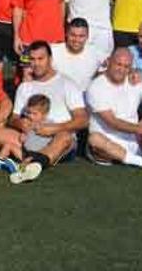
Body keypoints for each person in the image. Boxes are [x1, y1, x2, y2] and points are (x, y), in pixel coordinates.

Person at [86, 48, 142, 181]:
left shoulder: (135, 80)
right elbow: (113, 122)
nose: (122, 69)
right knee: (94, 139)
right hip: (108, 141)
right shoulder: (96, 87)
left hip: (134, 137)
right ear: (109, 62)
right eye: (118, 64)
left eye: (126, 66)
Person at [9, 41, 88, 184]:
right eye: (32, 59)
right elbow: (12, 119)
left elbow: (83, 120)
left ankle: (35, 163)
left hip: (57, 137)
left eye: (41, 59)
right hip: (30, 136)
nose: (36, 63)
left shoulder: (67, 83)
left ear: (50, 60)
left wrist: (55, 128)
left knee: (65, 137)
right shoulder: (25, 87)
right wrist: (20, 123)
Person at [51, 18, 106, 92]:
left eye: (81, 36)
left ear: (87, 36)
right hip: (58, 95)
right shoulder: (53, 51)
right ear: (66, 34)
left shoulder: (96, 54)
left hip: (84, 96)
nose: (76, 40)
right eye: (73, 35)